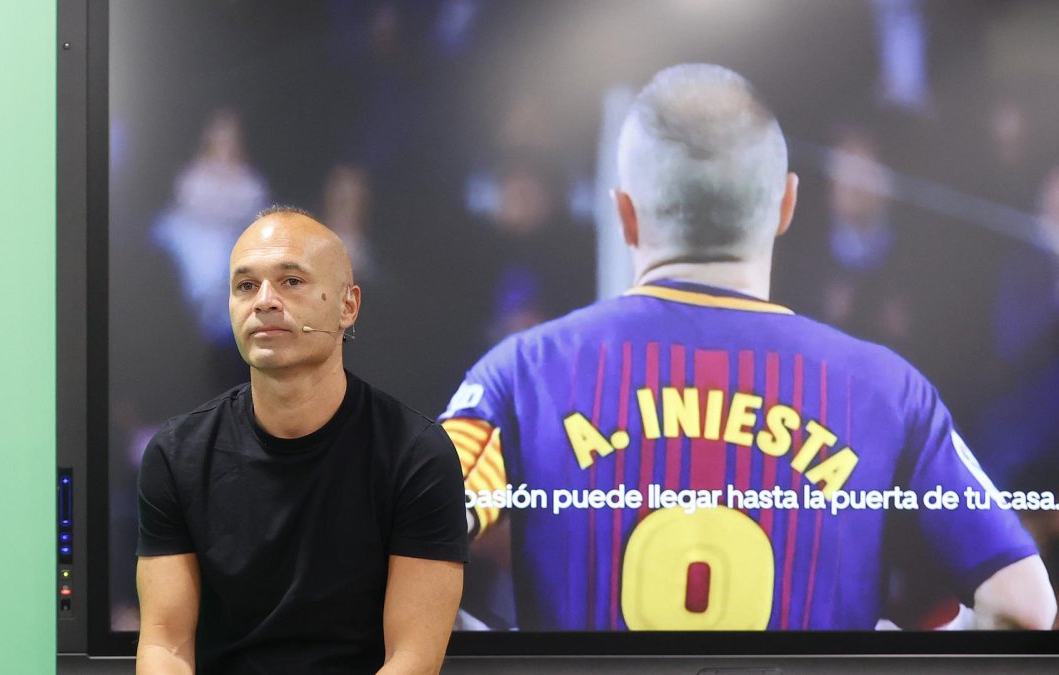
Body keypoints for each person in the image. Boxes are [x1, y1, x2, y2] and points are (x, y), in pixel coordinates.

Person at [439, 63, 1055, 631]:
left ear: (625, 214)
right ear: (787, 205)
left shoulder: (520, 377)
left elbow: (396, 540)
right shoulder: (887, 392)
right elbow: (1026, 607)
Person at [135, 206, 468, 674]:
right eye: (245, 286)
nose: (264, 301)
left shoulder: (416, 454)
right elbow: (164, 646)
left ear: (348, 306)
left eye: (291, 281)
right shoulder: (177, 454)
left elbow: (413, 658)